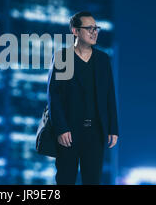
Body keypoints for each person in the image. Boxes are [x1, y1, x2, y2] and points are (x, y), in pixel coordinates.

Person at [47, 11, 119, 185]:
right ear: (75, 31)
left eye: (96, 28)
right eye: (89, 28)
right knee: (65, 179)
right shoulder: (63, 58)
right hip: (68, 132)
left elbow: (109, 94)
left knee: (93, 181)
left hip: (95, 132)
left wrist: (113, 129)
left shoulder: (102, 59)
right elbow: (53, 96)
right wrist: (61, 128)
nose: (94, 32)